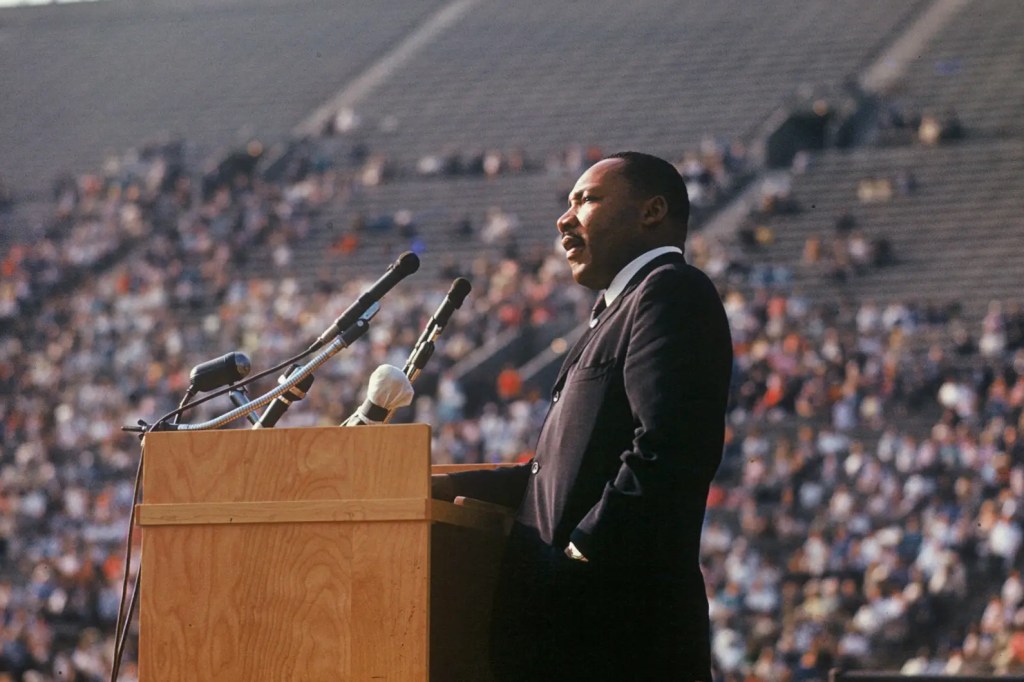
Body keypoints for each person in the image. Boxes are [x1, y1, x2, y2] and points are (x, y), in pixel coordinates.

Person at [432, 151, 733, 680]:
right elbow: (548, 478)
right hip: (572, 631)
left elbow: (671, 445)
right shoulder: (613, 314)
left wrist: (579, 553)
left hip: (616, 633)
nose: (564, 218)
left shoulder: (670, 292)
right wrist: (427, 485)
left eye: (587, 200)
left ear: (652, 211)